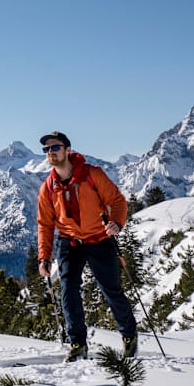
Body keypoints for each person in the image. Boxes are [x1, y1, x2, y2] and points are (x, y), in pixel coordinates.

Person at [36, 131, 137, 362]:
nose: (50, 152)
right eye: (47, 150)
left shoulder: (92, 175)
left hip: (99, 239)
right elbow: (44, 224)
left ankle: (129, 335)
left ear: (68, 150)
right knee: (68, 291)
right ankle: (78, 343)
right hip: (69, 242)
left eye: (55, 147)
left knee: (111, 291)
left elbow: (117, 201)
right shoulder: (48, 187)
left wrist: (117, 223)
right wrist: (44, 257)